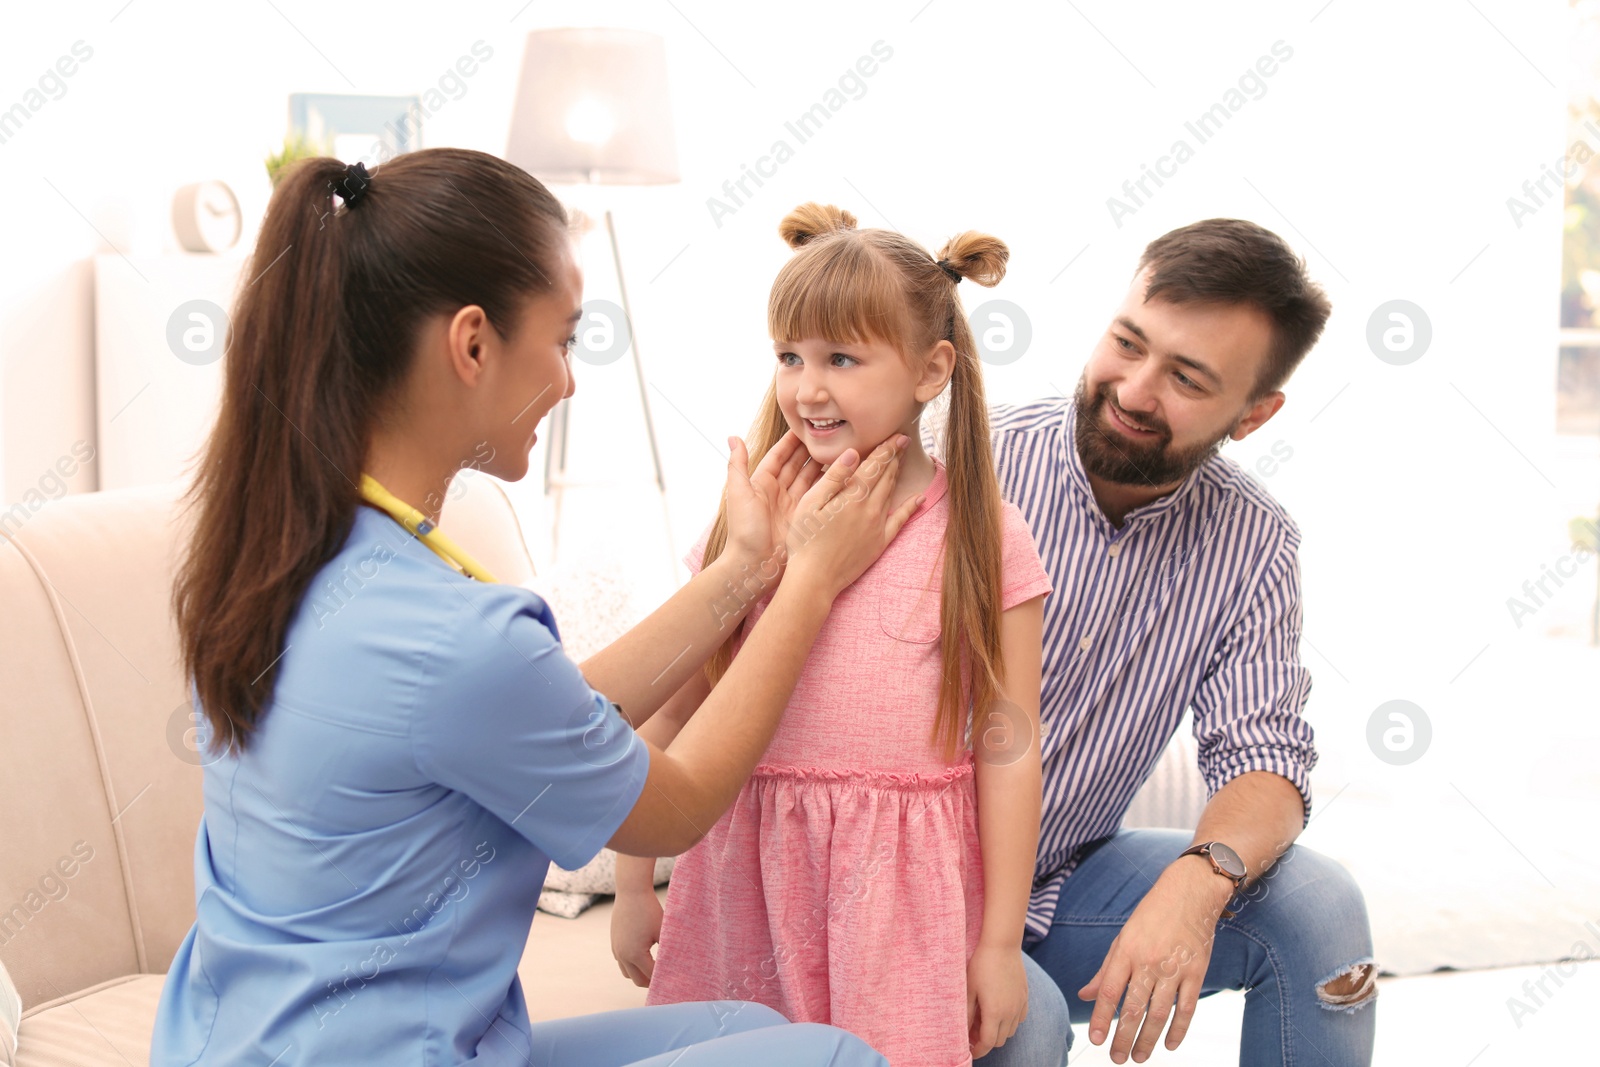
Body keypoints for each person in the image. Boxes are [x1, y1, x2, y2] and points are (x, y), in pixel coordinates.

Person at [149, 148, 924, 1066]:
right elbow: (672, 808)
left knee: (752, 1032)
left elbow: (536, 713)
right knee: (839, 1057)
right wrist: (812, 584)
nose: (567, 381)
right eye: (563, 340)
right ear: (473, 344)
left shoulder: (285, 549)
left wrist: (748, 569)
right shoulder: (452, 637)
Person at [610, 203, 1064, 1067]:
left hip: (894, 900)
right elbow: (676, 707)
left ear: (932, 370)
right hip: (742, 874)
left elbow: (1009, 747)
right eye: (790, 356)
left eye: (841, 359)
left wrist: (999, 944)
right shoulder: (754, 522)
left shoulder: (983, 534)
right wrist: (635, 884)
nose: (807, 388)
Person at [968, 219, 1377, 1067]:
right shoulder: (967, 462)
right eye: (1128, 342)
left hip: (1054, 881)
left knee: (1318, 906)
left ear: (1256, 413)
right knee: (1027, 1024)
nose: (1135, 390)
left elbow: (1264, 757)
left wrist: (1200, 881)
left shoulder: (1255, 542)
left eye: (1187, 377)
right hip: (893, 888)